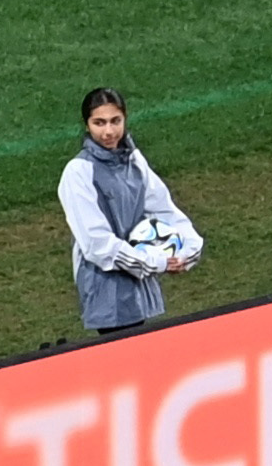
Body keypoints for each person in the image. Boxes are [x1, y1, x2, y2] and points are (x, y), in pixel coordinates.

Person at [56, 88, 200, 332]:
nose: (109, 132)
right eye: (99, 123)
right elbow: (97, 244)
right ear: (87, 124)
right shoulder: (77, 172)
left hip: (139, 286)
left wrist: (189, 250)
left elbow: (164, 210)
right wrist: (158, 262)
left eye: (115, 121)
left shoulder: (134, 161)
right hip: (106, 289)